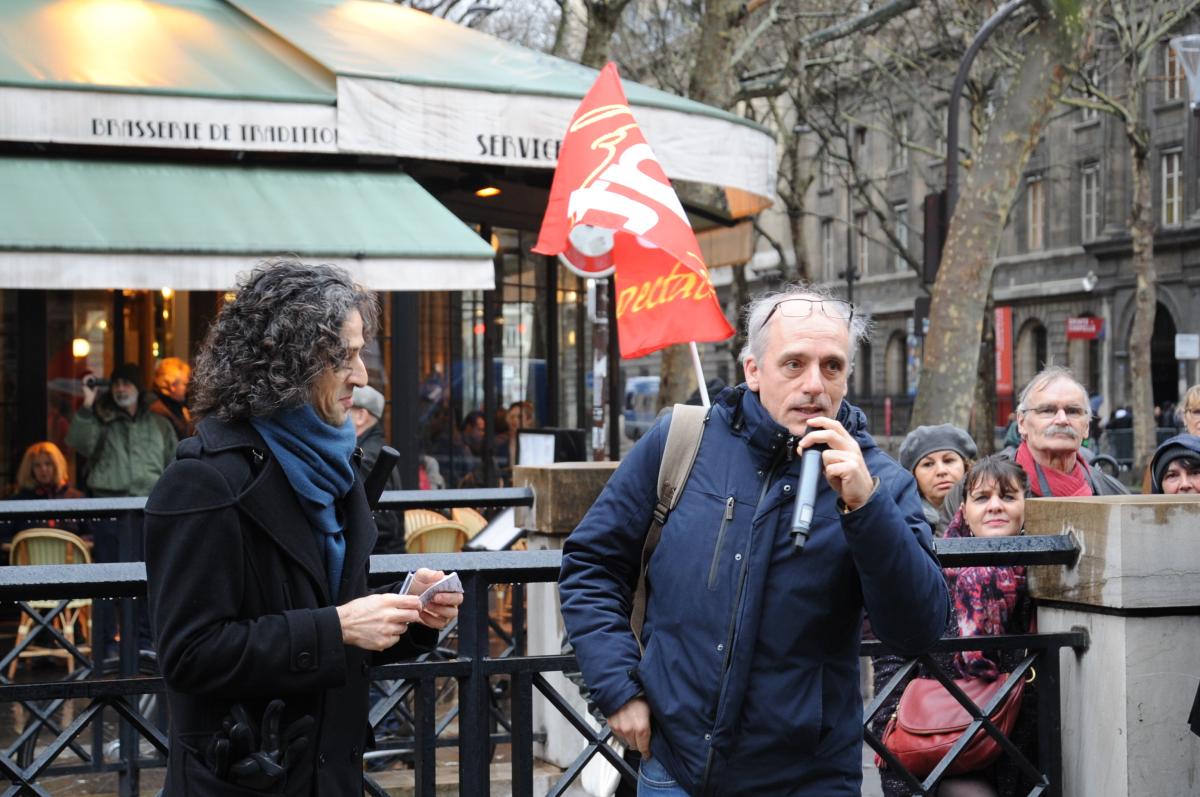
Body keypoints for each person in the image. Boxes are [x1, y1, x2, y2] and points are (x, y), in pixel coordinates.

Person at [559, 285, 949, 795]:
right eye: (794, 364)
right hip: (674, 766)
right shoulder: (682, 440)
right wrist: (617, 690)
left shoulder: (879, 481)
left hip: (806, 777)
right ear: (753, 370)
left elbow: (918, 629)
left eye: (832, 367)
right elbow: (592, 564)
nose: (814, 384)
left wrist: (865, 507)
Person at [143, 261, 461, 796]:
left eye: (360, 354)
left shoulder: (338, 469)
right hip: (242, 781)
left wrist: (405, 614)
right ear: (288, 362)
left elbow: (325, 617)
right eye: (345, 357)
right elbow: (188, 654)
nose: (361, 378)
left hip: (327, 777)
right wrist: (337, 626)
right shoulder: (202, 482)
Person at [875, 456, 1037, 797]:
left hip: (1022, 755)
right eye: (982, 498)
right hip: (942, 747)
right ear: (963, 507)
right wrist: (892, 734)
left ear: (1027, 505)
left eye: (1008, 497)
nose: (995, 506)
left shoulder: (1043, 576)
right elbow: (892, 659)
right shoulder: (930, 572)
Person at [65, 363, 177, 498]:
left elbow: (175, 464)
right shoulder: (101, 420)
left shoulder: (160, 424)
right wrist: (88, 403)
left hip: (150, 502)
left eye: (126, 384)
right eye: (116, 384)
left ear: (138, 388)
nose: (120, 389)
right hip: (107, 503)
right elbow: (79, 444)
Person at [1011, 366, 1126, 497]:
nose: (1062, 420)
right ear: (1021, 422)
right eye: (1048, 410)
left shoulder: (1114, 494)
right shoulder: (991, 492)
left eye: (1073, 411)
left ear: (1086, 426)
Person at [349, 384, 404, 554]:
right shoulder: (375, 448)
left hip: (379, 559)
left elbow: (384, 523)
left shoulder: (366, 457)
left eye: (344, 408)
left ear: (360, 416)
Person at [898, 424, 977, 536]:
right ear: (913, 475)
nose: (941, 471)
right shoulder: (902, 524)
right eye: (928, 464)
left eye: (948, 460)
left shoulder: (989, 511)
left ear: (966, 466)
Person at [2, 441, 86, 541]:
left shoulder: (76, 499)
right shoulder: (18, 502)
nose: (43, 469)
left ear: (56, 466)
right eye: (37, 465)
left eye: (48, 464)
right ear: (30, 470)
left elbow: (92, 535)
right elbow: (4, 538)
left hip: (70, 556)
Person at [149, 356, 194, 439]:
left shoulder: (176, 406)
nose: (187, 389)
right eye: (184, 384)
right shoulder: (158, 412)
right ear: (172, 385)